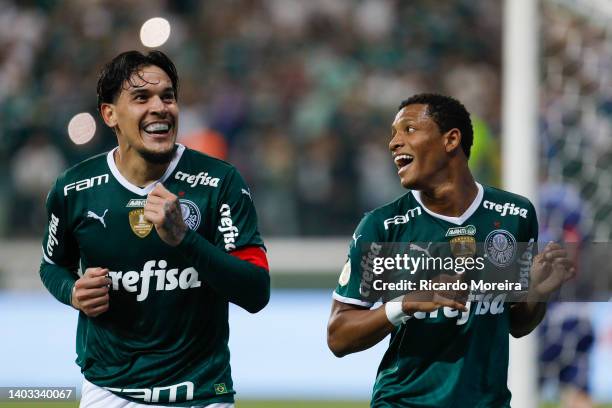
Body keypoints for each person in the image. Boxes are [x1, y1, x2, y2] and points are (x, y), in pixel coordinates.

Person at [39, 50, 270, 408]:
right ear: (109, 113)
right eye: (141, 98)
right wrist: (73, 292)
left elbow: (256, 291)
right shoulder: (74, 189)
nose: (160, 107)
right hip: (108, 393)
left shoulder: (219, 182)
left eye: (168, 96)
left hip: (204, 395)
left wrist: (185, 240)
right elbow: (52, 265)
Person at [327, 93, 575, 407]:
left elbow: (517, 325)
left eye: (409, 130)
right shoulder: (384, 227)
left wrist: (537, 291)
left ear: (451, 140)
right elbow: (338, 336)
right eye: (393, 134)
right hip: (404, 402)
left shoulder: (515, 216)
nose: (394, 143)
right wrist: (408, 303)